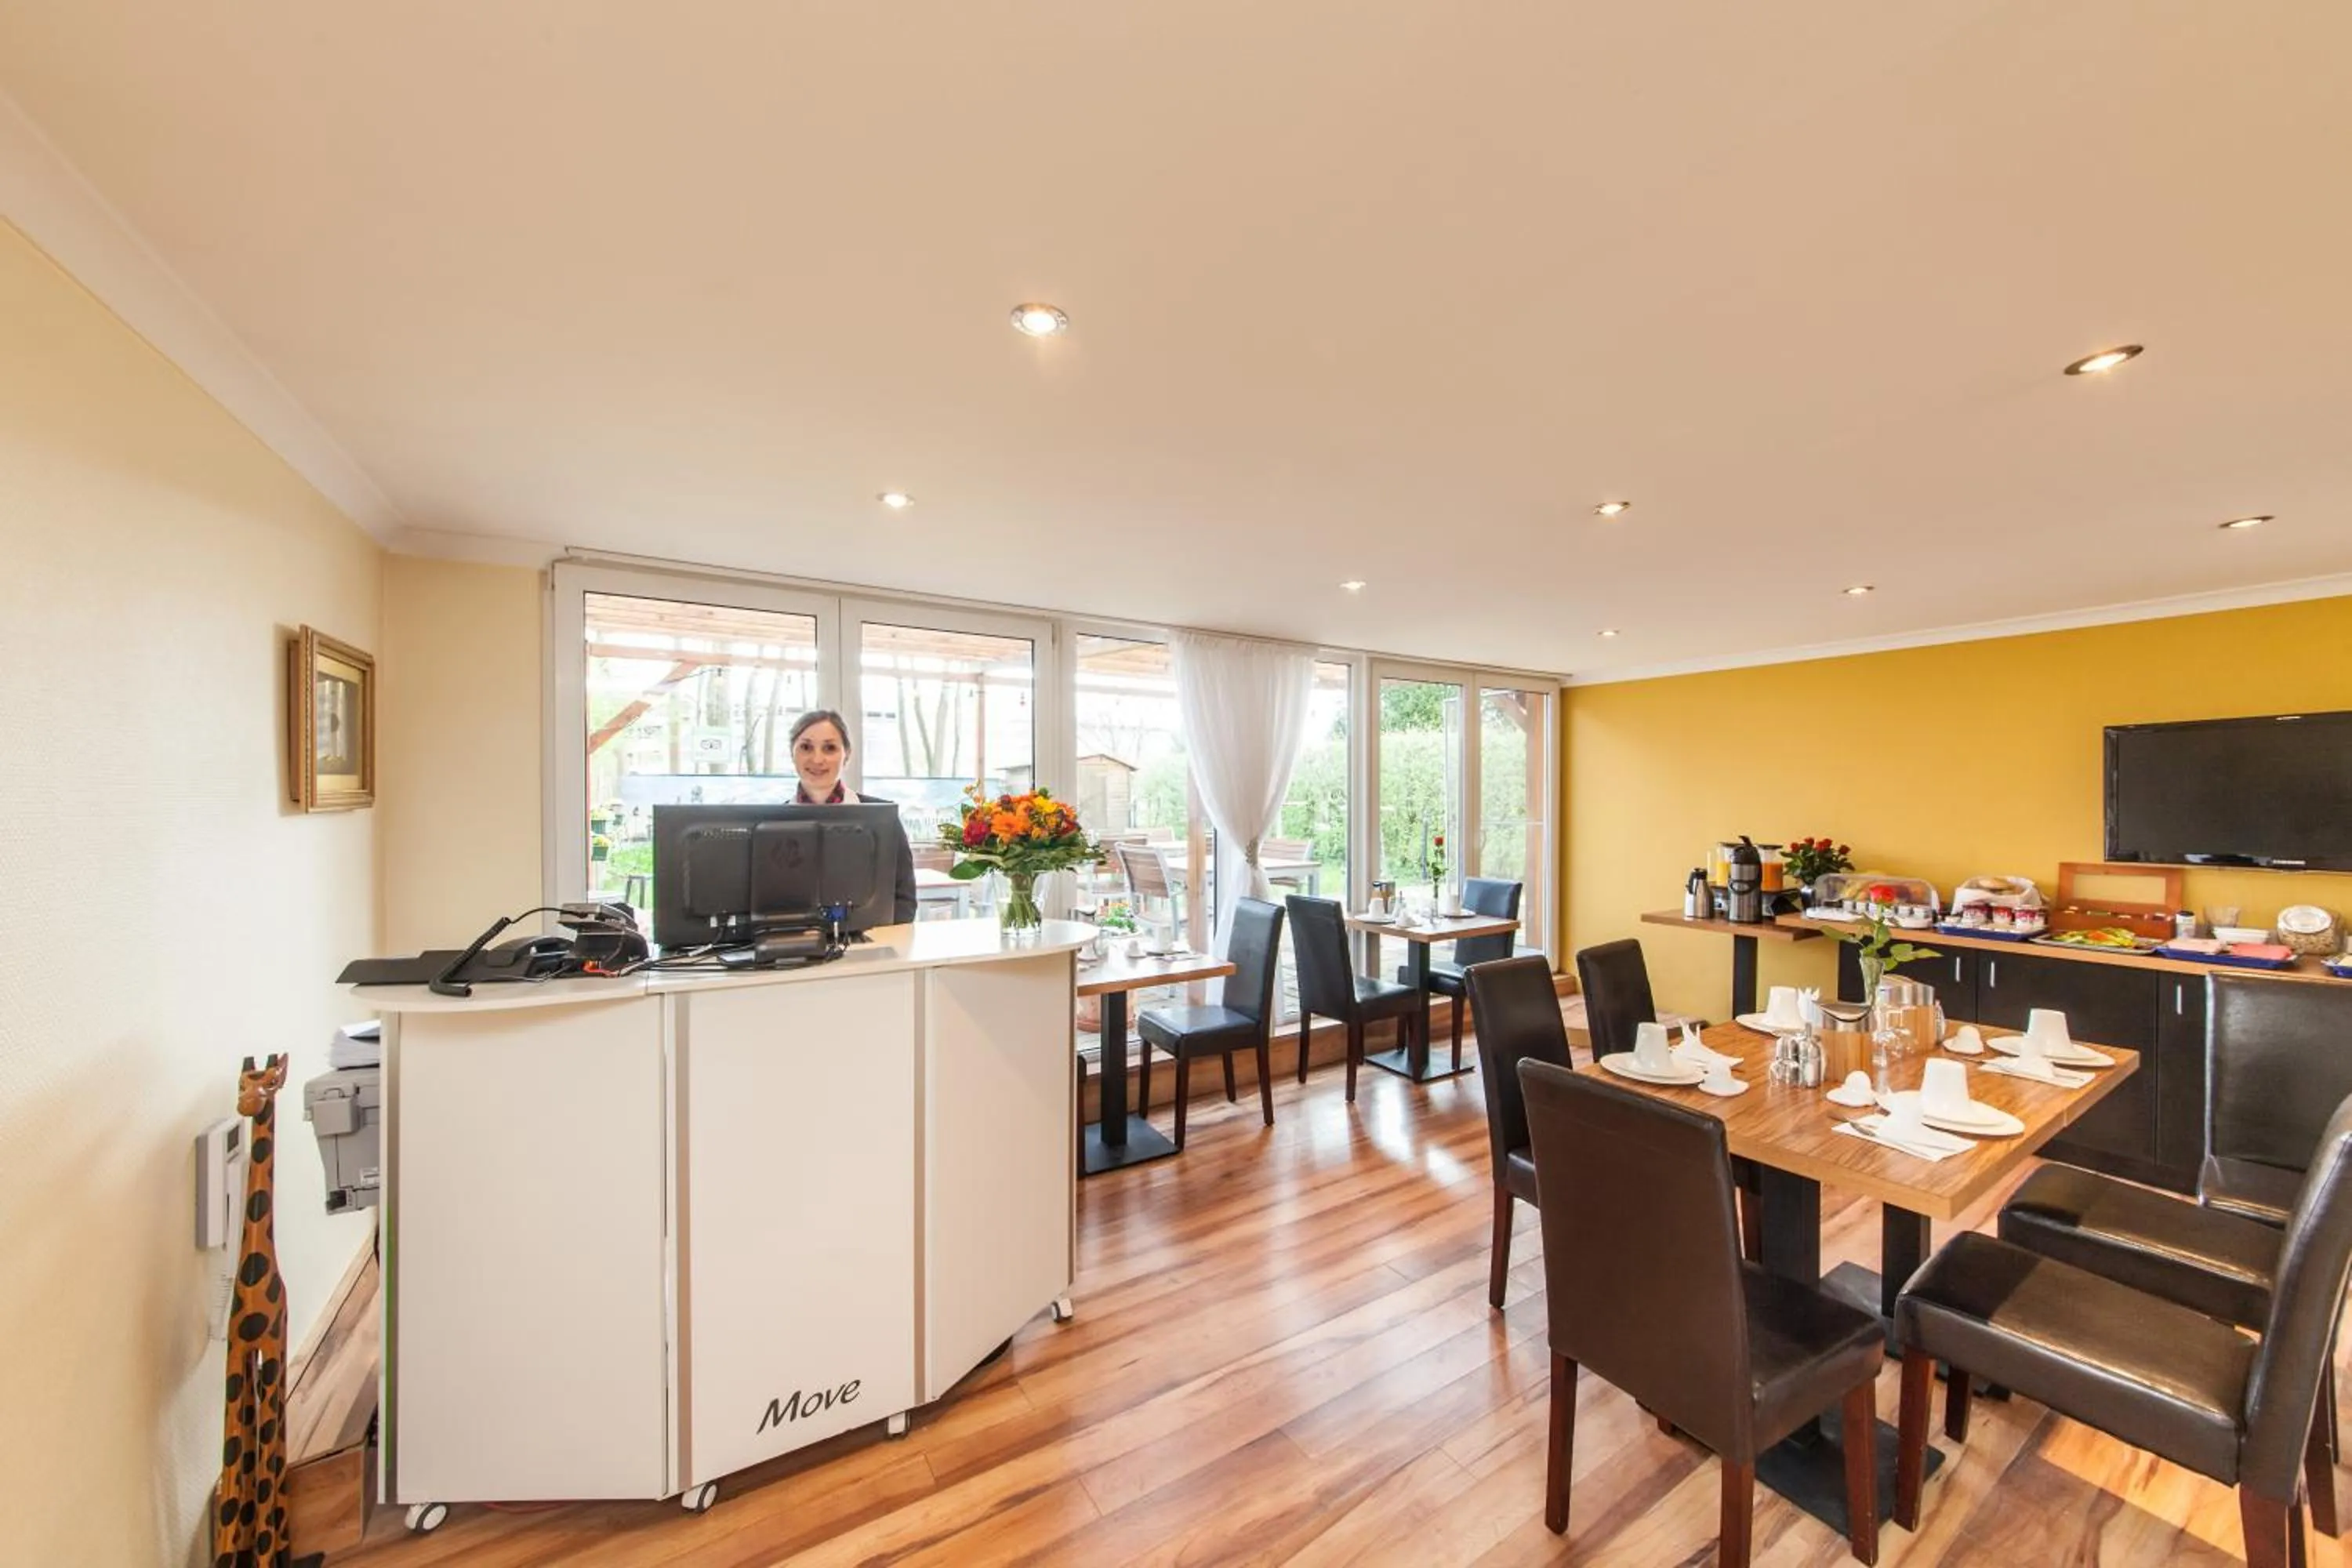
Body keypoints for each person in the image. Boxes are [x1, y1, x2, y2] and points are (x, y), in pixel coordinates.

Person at [788, 709, 918, 924]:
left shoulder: (883, 820)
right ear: (793, 754)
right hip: (794, 950)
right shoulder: (770, 824)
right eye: (806, 747)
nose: (817, 759)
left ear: (846, 755)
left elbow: (904, 903)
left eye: (829, 748)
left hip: (869, 948)